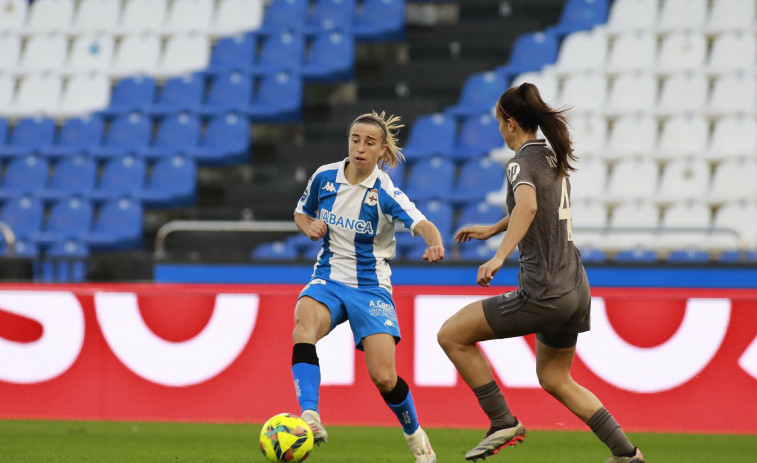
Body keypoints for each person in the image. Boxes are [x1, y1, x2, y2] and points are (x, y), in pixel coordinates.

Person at [436, 83, 645, 463]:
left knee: (451, 335)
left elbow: (529, 207)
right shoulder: (550, 156)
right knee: (555, 378)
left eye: (500, 122)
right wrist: (493, 228)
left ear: (511, 123)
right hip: (575, 287)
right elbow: (534, 207)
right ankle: (625, 454)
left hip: (544, 291)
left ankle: (502, 421)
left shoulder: (518, 163)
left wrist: (499, 256)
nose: (499, 129)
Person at [291, 111, 445, 463]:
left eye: (369, 142)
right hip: (328, 277)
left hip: (370, 287)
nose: (360, 148)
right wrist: (308, 226)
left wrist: (433, 243)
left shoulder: (386, 192)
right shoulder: (324, 177)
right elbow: (301, 211)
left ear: (381, 150)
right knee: (303, 327)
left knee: (384, 377)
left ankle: (415, 434)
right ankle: (310, 416)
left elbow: (424, 225)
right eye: (355, 140)